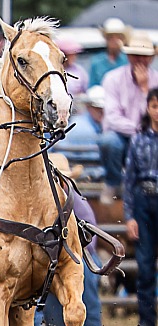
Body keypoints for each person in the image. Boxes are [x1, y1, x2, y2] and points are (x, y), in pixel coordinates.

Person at [37, 154, 102, 326]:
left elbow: (90, 230)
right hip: (50, 256)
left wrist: (73, 250)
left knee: (85, 274)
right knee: (45, 276)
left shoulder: (73, 199)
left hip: (78, 253)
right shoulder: (40, 202)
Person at [99, 32, 158, 204]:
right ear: (129, 56)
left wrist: (145, 89)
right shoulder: (113, 78)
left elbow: (154, 113)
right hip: (123, 135)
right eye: (135, 55)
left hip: (150, 134)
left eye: (144, 56)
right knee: (108, 141)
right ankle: (113, 182)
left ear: (151, 59)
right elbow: (112, 117)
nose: (140, 60)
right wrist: (138, 130)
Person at [123, 88, 158, 326]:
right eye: (154, 105)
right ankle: (146, 322)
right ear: (148, 108)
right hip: (144, 200)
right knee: (145, 266)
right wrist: (130, 215)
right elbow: (129, 179)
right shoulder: (138, 139)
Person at [53, 85, 105, 181]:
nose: (101, 112)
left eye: (103, 108)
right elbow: (91, 162)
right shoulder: (85, 130)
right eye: (97, 108)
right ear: (88, 107)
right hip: (77, 173)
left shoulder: (88, 124)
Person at [89, 17, 130, 88]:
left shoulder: (128, 60)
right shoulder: (96, 61)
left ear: (123, 39)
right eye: (111, 37)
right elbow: (92, 87)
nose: (114, 40)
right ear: (106, 39)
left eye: (118, 37)